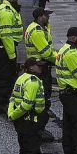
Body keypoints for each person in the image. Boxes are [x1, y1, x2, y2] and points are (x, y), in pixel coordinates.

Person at [8, 58, 47, 154]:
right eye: (38, 66)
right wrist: (15, 115)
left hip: (22, 122)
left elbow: (12, 98)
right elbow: (27, 104)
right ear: (31, 67)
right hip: (29, 122)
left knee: (26, 152)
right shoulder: (32, 81)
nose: (41, 68)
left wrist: (12, 114)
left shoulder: (22, 78)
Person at [24, 8, 56, 141]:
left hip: (39, 66)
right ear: (39, 17)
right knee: (41, 99)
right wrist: (59, 60)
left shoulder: (38, 28)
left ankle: (37, 127)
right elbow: (46, 52)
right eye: (46, 16)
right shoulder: (37, 31)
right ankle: (38, 129)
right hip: (39, 68)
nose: (48, 17)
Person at [0, 0, 22, 114]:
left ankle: (6, 100)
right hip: (4, 48)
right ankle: (1, 104)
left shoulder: (8, 9)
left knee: (8, 75)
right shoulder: (6, 12)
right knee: (5, 76)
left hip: (4, 47)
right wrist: (12, 55)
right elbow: (6, 36)